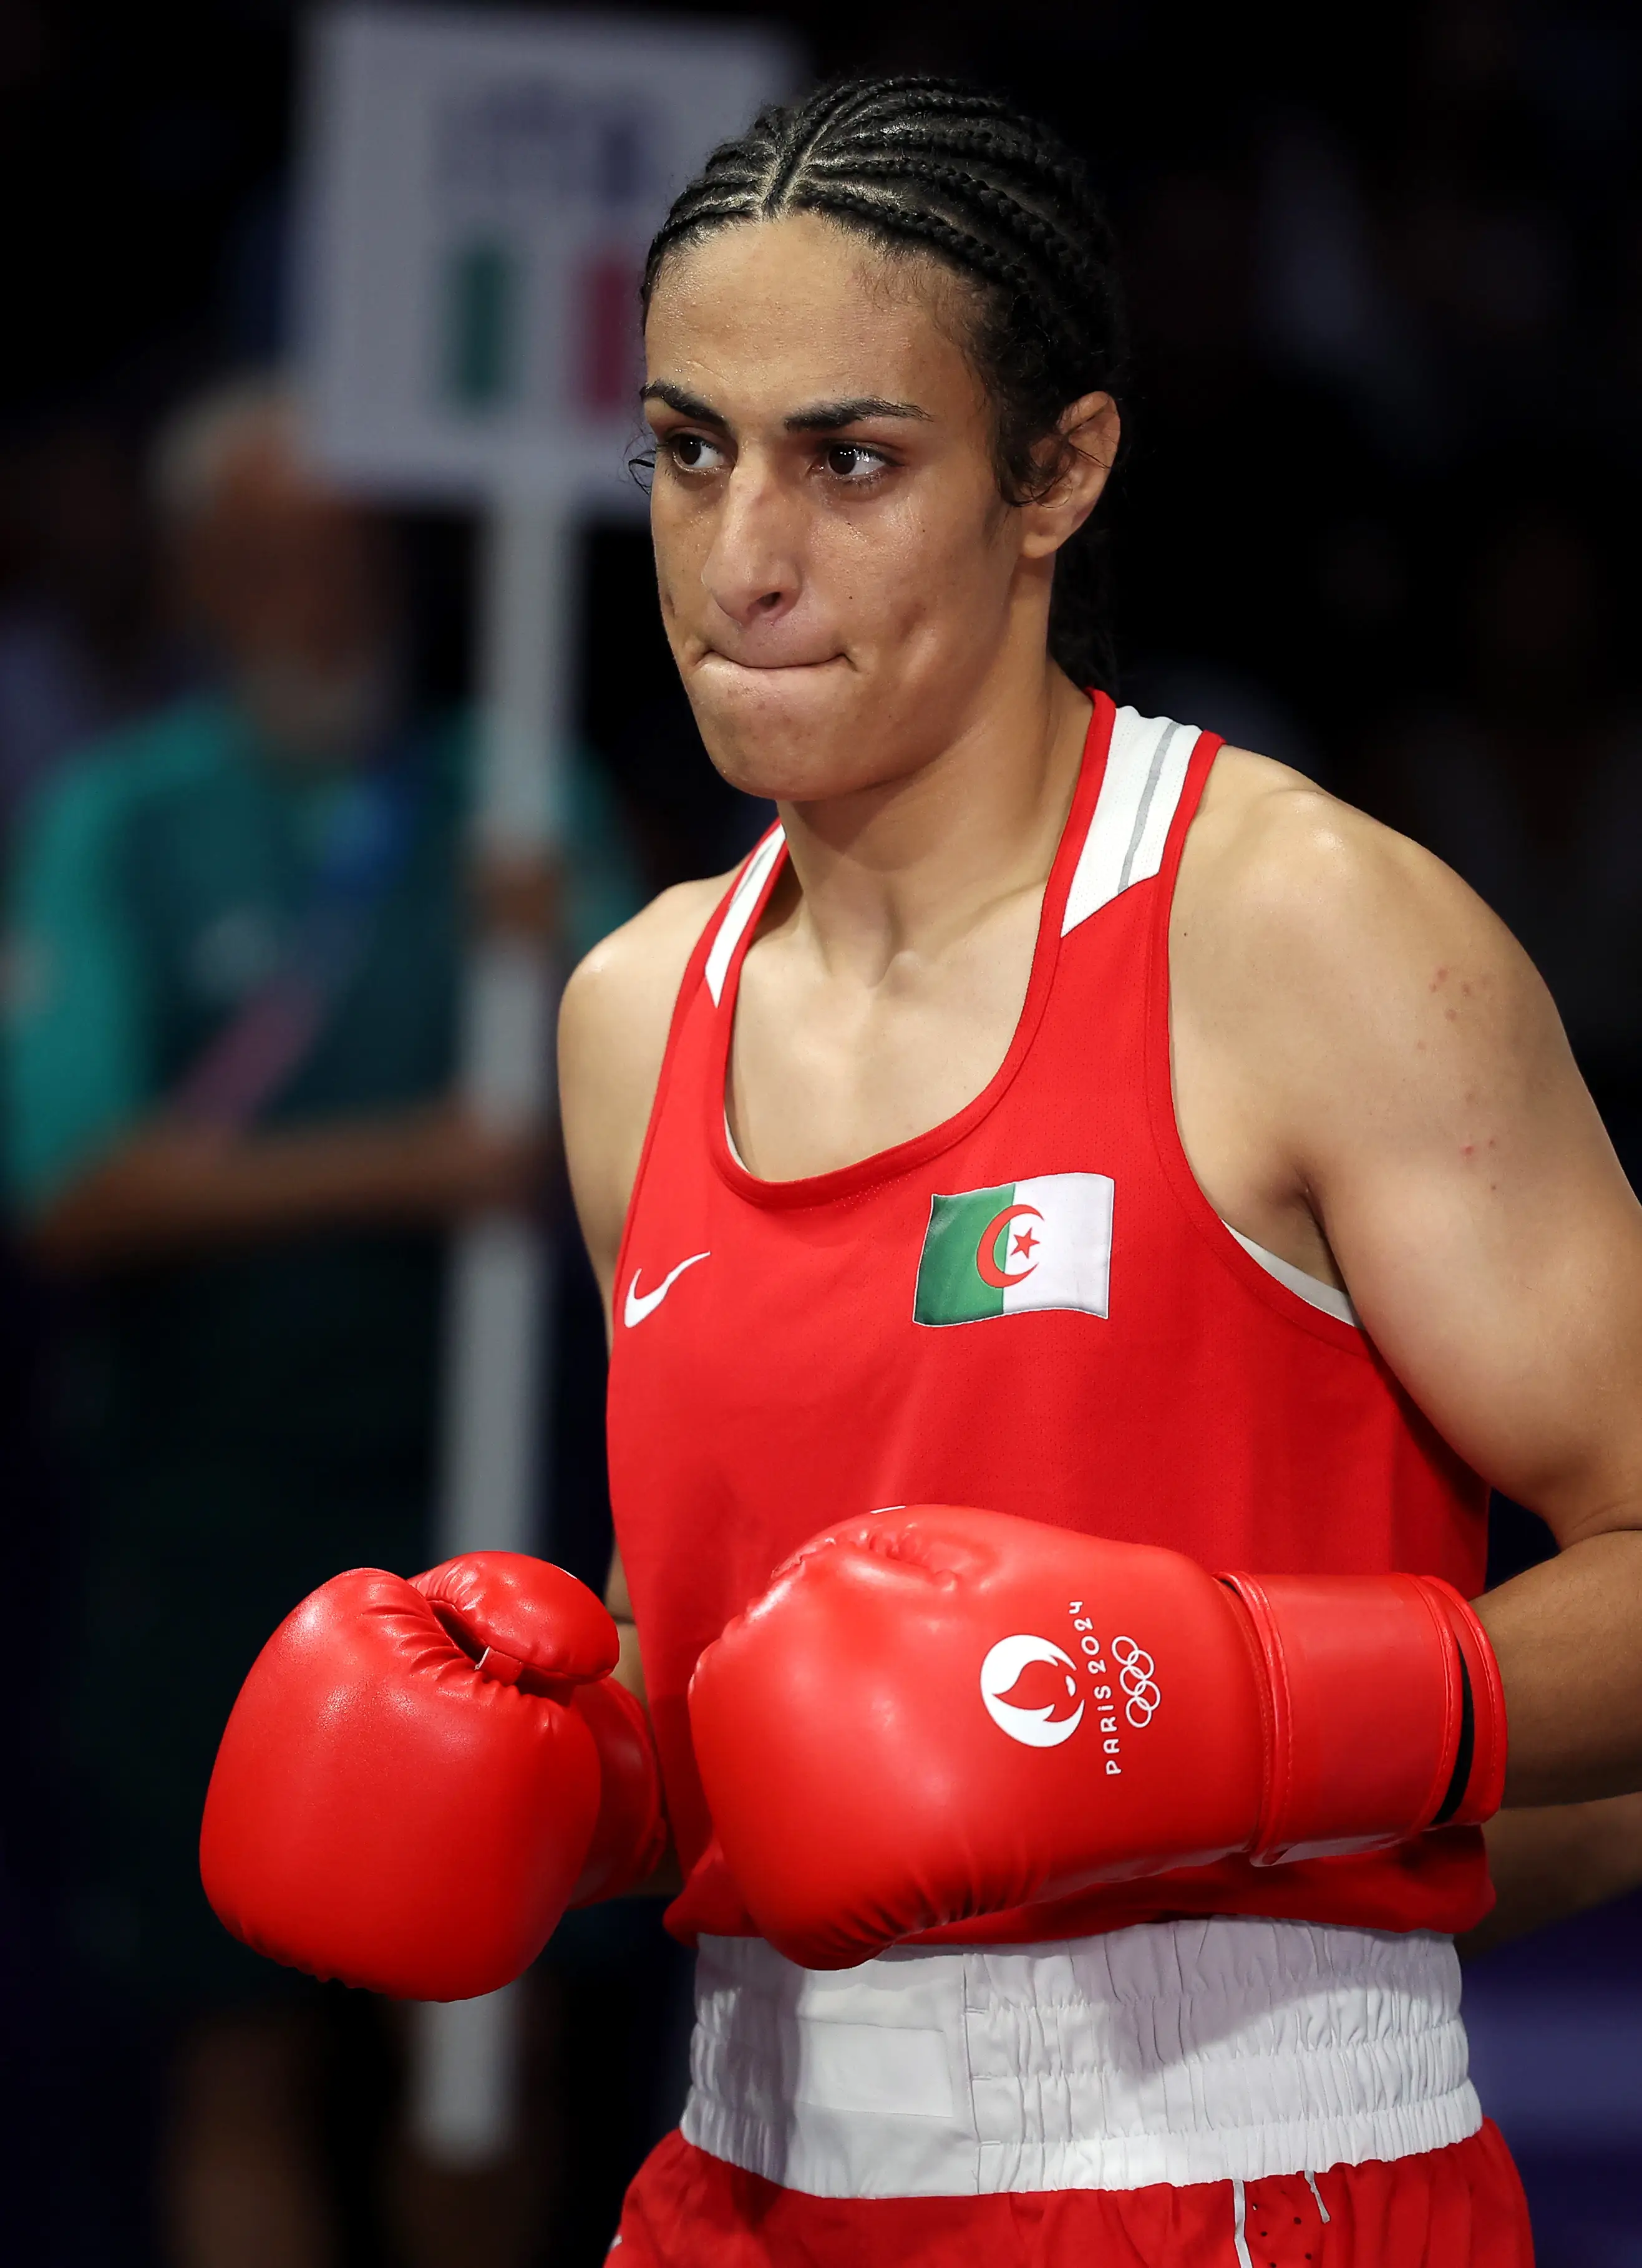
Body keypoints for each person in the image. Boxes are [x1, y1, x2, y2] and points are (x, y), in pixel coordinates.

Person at [200, 79, 1642, 2266]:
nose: (745, 556)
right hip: (735, 2183)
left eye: (848, 460)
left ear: (1054, 474)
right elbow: (826, 1728)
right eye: (689, 452)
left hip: (1244, 2188)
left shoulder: (1298, 932)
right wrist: (590, 1785)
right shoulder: (633, 1017)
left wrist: (1235, 1717)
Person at [2, 379, 637, 2268]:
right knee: (239, 2048)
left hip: (486, 1508)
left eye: (351, 549)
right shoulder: (122, 821)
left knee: (489, 2041)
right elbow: (76, 1189)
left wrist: (567, 960)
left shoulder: (518, 806)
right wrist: (424, 1166)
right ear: (198, 572)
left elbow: (636, 1157)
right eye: (269, 554)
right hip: (205, 1513)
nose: (317, 592)